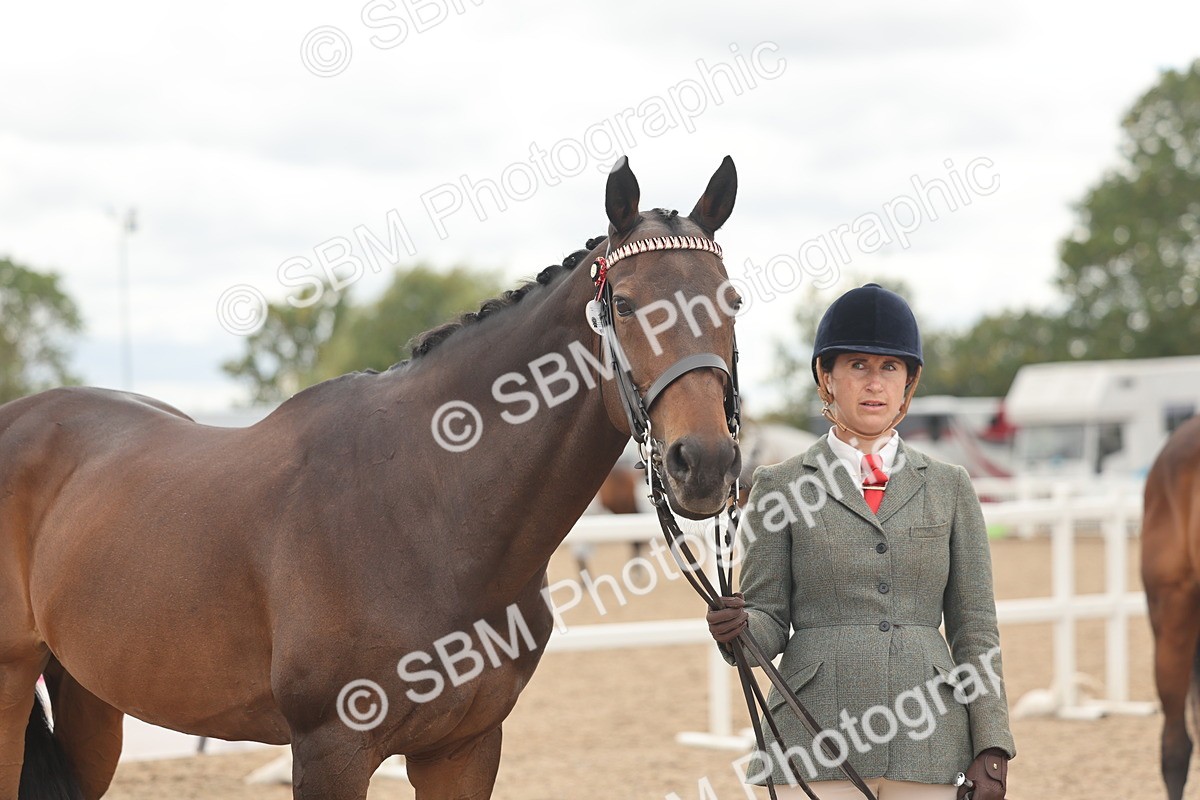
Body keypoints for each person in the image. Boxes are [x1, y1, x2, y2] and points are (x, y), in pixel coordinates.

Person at [707, 284, 1015, 800]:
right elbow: (767, 622)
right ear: (827, 377)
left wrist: (993, 745)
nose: (874, 384)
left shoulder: (950, 486)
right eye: (857, 366)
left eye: (889, 368)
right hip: (813, 738)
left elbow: (975, 628)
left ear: (908, 383)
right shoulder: (778, 487)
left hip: (932, 738)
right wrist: (735, 630)